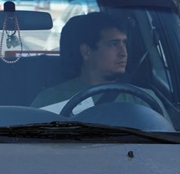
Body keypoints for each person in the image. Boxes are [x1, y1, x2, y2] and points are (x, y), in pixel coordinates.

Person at [32, 12, 165, 116]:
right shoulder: (50, 98)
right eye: (113, 44)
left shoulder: (143, 98)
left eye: (124, 43)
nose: (123, 53)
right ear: (86, 52)